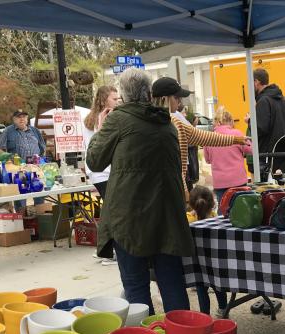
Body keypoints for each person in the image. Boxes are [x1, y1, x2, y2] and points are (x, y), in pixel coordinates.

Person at [86, 68, 191, 314]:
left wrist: (100, 130)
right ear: (147, 93)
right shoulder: (166, 122)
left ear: (123, 94)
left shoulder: (118, 120)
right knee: (172, 283)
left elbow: (95, 161)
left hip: (130, 217)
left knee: (136, 287)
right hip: (167, 217)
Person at [151, 77, 247, 196]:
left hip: (174, 185)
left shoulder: (176, 122)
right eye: (176, 97)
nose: (179, 101)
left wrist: (236, 140)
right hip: (158, 188)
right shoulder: (152, 125)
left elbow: (204, 137)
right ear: (164, 99)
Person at [83, 85, 120, 265]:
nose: (118, 101)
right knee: (112, 210)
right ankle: (108, 250)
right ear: (104, 100)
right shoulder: (105, 119)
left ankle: (104, 249)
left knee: (109, 209)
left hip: (96, 172)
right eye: (114, 98)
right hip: (104, 170)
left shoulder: (89, 119)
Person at [245, 68, 285, 174]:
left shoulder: (263, 101)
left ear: (256, 82)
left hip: (268, 158)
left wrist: (250, 121)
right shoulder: (283, 100)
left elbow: (260, 128)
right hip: (283, 154)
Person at [188, 186, 228, 317]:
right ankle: (223, 310)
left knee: (201, 288)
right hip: (215, 262)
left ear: (192, 203)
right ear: (212, 203)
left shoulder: (188, 219)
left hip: (197, 263)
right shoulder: (215, 219)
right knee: (219, 287)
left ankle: (204, 316)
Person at [203, 107, 251, 212]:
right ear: (230, 120)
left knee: (223, 213)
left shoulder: (209, 137)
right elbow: (250, 149)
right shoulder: (237, 134)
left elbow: (207, 160)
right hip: (238, 181)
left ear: (216, 121)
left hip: (220, 182)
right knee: (242, 211)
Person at [0, 110, 46, 208]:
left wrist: (39, 161)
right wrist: (10, 162)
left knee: (39, 194)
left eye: (24, 117)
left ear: (27, 119)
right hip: (18, 169)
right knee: (20, 197)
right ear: (14, 119)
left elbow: (42, 147)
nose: (22, 119)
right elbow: (0, 150)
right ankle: (22, 219)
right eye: (19, 117)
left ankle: (41, 217)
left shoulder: (35, 130)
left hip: (35, 167)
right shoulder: (8, 131)